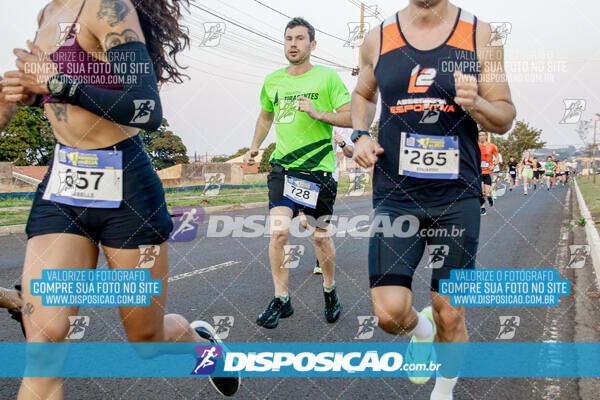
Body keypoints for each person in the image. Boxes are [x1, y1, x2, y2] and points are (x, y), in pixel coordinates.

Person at [1, 0, 239, 397]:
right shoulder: (46, 15)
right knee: (43, 345)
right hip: (63, 186)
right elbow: (51, 92)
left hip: (126, 189)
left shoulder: (107, 7)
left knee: (146, 341)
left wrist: (56, 84)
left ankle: (202, 345)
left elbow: (146, 108)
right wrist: (19, 95)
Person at [351, 0, 515, 398]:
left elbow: (506, 116)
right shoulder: (377, 37)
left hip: (456, 194)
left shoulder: (481, 34)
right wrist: (360, 134)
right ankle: (421, 331)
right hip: (396, 195)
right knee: (389, 314)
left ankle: (443, 391)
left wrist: (475, 102)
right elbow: (362, 95)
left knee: (451, 312)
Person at [243, 17, 352, 329]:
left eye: (300, 39)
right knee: (278, 231)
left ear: (312, 45)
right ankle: (282, 299)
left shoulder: (327, 78)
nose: (293, 44)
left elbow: (350, 115)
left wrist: (318, 113)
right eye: (288, 38)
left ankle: (330, 291)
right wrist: (254, 146)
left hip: (318, 170)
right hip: (283, 167)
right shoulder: (273, 80)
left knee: (319, 237)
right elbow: (266, 117)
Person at [312, 131, 354, 275]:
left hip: (328, 178)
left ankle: (321, 260)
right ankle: (321, 253)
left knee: (322, 221)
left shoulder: (336, 124)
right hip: (307, 177)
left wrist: (342, 143)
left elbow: (350, 153)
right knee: (308, 223)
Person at [478, 131, 499, 215]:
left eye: (483, 135)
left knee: (487, 192)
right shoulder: (476, 146)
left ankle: (489, 198)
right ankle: (482, 208)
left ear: (486, 136)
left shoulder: (491, 146)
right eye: (479, 135)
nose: (481, 137)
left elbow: (497, 156)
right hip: (479, 172)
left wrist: (494, 164)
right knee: (480, 191)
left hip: (488, 171)